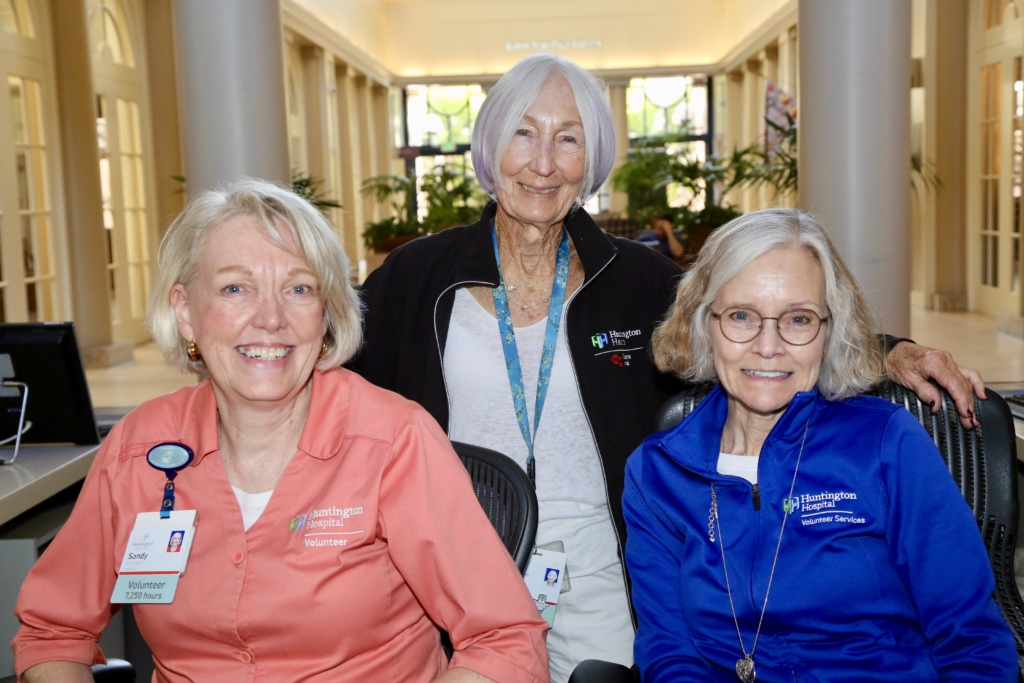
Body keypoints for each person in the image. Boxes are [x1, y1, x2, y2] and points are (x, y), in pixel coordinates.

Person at [356, 53, 985, 682]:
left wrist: (894, 351)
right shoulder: (417, 277)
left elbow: (753, 321)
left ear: (592, 160)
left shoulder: (633, 278)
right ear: (489, 145)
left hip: (597, 566)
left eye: (568, 138)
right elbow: (332, 367)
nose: (543, 161)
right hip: (454, 561)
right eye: (523, 132)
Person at [12, 179, 548, 683]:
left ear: (327, 314)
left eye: (297, 289)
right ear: (186, 312)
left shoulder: (393, 441)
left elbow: (504, 639)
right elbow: (52, 631)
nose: (270, 318)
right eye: (235, 288)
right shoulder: (138, 448)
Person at [623, 208, 1016, 682]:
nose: (768, 346)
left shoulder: (886, 443)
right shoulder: (657, 474)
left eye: (799, 319)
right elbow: (669, 652)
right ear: (704, 324)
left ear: (830, 332)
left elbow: (970, 640)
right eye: (742, 315)